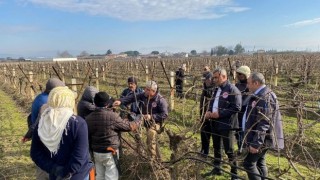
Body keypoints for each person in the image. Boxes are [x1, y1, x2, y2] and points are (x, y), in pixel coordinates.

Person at [30, 86, 93, 180]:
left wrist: (54, 169)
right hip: (77, 175)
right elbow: (80, 156)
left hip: (55, 175)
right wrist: (66, 172)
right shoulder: (78, 123)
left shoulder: (42, 122)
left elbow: (35, 153)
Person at [85, 92, 142, 180]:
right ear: (107, 104)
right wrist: (139, 119)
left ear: (95, 103)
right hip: (110, 152)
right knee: (111, 177)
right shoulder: (113, 116)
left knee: (99, 176)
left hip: (96, 152)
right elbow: (129, 126)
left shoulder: (88, 118)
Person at [242, 72, 284, 180]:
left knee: (248, 164)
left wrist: (256, 144)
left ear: (256, 83)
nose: (247, 86)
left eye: (249, 83)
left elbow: (264, 123)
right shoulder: (262, 94)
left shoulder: (264, 97)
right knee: (260, 162)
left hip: (262, 139)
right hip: (263, 138)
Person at [113, 80, 168, 160]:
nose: (145, 91)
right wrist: (120, 101)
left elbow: (164, 114)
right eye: (145, 89)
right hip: (142, 119)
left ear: (153, 91)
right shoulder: (144, 95)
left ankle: (152, 159)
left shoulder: (160, 100)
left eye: (147, 90)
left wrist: (151, 117)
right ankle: (141, 152)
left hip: (155, 122)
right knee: (135, 130)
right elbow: (131, 98)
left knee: (151, 134)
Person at [22, 77, 65, 180]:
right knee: (46, 168)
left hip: (40, 134)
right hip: (45, 136)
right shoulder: (47, 102)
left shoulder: (40, 97)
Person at [204, 68, 241, 179]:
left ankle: (234, 174)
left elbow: (237, 107)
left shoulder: (232, 89)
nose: (214, 79)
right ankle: (217, 168)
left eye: (216, 77)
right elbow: (212, 102)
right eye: (213, 77)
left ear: (224, 76)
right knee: (216, 147)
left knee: (229, 150)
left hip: (227, 125)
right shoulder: (217, 89)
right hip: (215, 123)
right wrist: (209, 111)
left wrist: (220, 114)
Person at [235, 65, 251, 151]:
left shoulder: (249, 86)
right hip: (236, 113)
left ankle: (243, 149)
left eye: (241, 74)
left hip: (245, 113)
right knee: (238, 132)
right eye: (238, 74)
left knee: (243, 132)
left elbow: (244, 101)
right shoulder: (237, 84)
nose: (239, 75)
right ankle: (239, 148)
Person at [199, 70, 215, 156]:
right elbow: (202, 103)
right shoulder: (205, 88)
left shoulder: (215, 89)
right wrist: (201, 116)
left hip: (213, 117)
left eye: (205, 79)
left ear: (210, 79)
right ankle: (204, 150)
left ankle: (217, 156)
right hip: (204, 116)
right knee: (204, 133)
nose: (204, 81)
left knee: (215, 137)